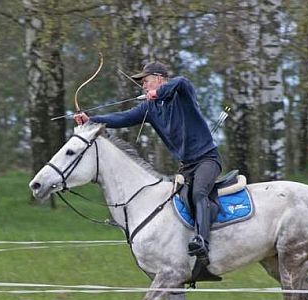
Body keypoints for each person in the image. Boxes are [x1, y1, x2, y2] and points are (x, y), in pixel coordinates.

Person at [74, 62, 221, 265]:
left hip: (207, 159)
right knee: (175, 202)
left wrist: (159, 92)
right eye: (142, 82)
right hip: (186, 166)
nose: (143, 85)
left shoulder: (181, 94)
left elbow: (182, 81)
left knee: (199, 193)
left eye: (146, 80)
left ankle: (202, 242)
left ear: (159, 78)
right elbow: (121, 117)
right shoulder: (150, 108)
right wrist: (91, 119)